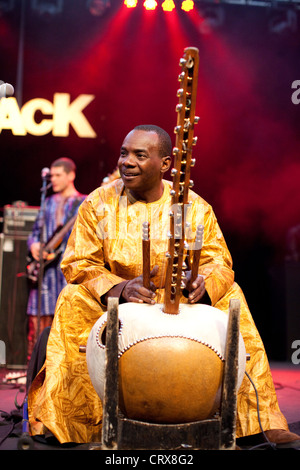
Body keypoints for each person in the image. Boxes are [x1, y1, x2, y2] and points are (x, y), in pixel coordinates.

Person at [28, 125, 300, 448]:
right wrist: (121, 288)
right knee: (72, 298)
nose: (126, 162)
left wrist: (203, 284)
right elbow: (77, 264)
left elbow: (220, 263)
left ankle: (259, 421)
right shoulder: (97, 204)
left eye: (139, 155)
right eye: (123, 153)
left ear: (166, 164)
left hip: (181, 306)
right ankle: (70, 423)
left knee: (233, 296)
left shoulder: (193, 206)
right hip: (120, 304)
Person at [26, 157, 86, 361]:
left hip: (67, 272)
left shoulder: (84, 202)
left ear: (71, 175)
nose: (53, 180)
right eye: (51, 176)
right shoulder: (48, 203)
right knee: (38, 322)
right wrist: (34, 244)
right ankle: (35, 370)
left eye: (58, 175)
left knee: (68, 320)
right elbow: (34, 233)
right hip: (45, 273)